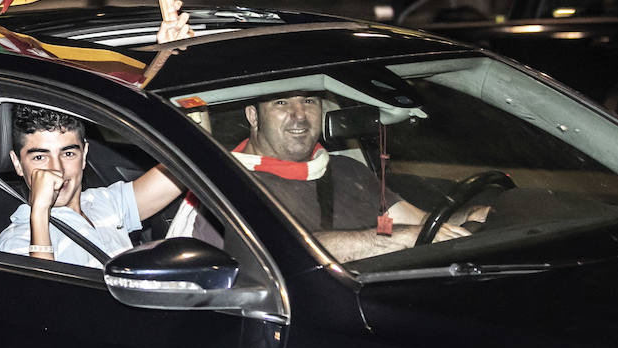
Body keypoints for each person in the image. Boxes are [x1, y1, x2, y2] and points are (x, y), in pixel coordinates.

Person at [180, 92, 484, 263]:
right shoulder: (226, 183)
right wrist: (398, 237)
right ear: (253, 116)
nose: (299, 115)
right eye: (282, 103)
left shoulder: (345, 170)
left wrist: (479, 216)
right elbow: (286, 251)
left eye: (309, 101)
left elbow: (419, 224)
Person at [0, 105, 184, 267]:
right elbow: (42, 302)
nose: (57, 169)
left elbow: (184, 169)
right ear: (17, 163)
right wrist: (40, 212)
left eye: (68, 154)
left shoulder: (103, 201)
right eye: (40, 157)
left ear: (84, 155)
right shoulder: (15, 241)